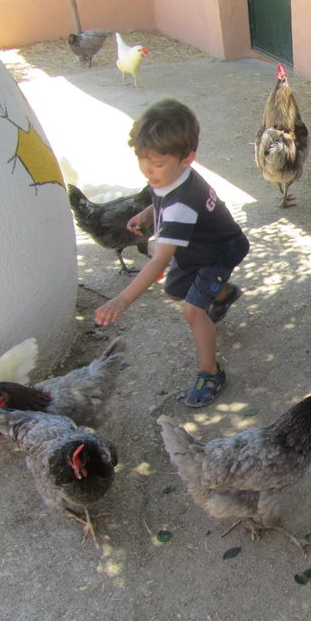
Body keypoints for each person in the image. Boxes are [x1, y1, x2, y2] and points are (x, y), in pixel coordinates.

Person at [94, 98, 249, 407]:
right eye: (143, 159)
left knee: (193, 309)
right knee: (176, 289)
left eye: (157, 163)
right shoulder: (169, 176)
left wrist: (123, 299)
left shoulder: (181, 204)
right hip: (198, 249)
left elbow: (159, 259)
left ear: (187, 158)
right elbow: (160, 196)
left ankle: (211, 372)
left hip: (219, 251)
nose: (148, 170)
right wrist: (148, 214)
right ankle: (224, 294)